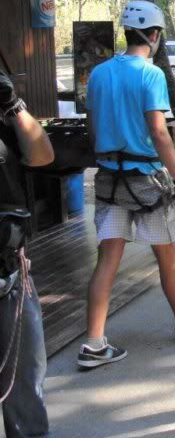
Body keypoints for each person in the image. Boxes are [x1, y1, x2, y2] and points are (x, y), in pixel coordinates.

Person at [78, 0, 175, 369]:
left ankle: (93, 342)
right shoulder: (150, 73)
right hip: (146, 180)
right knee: (167, 256)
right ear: (154, 35)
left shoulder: (99, 73)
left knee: (107, 257)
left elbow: (93, 126)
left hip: (109, 177)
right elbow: (158, 131)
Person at [0, 69, 53, 437]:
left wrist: (14, 105)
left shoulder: (4, 114)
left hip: (10, 271)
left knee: (26, 380)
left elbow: (42, 155)